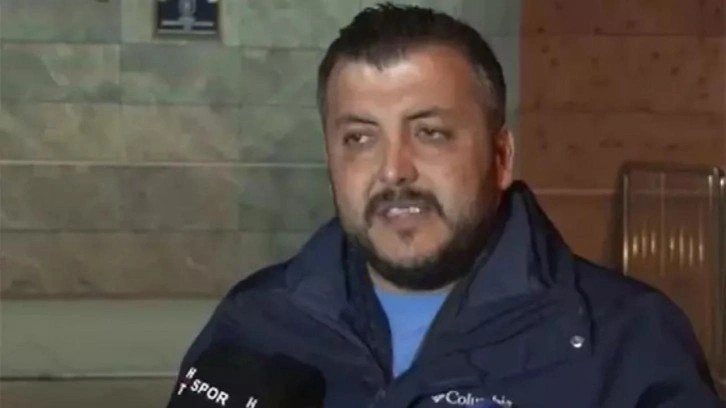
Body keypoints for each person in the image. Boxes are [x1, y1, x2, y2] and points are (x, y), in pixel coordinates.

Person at [170, 4, 723, 407]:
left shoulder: (629, 343)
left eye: (430, 133)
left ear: (501, 157)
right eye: (359, 138)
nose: (393, 170)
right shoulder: (256, 321)